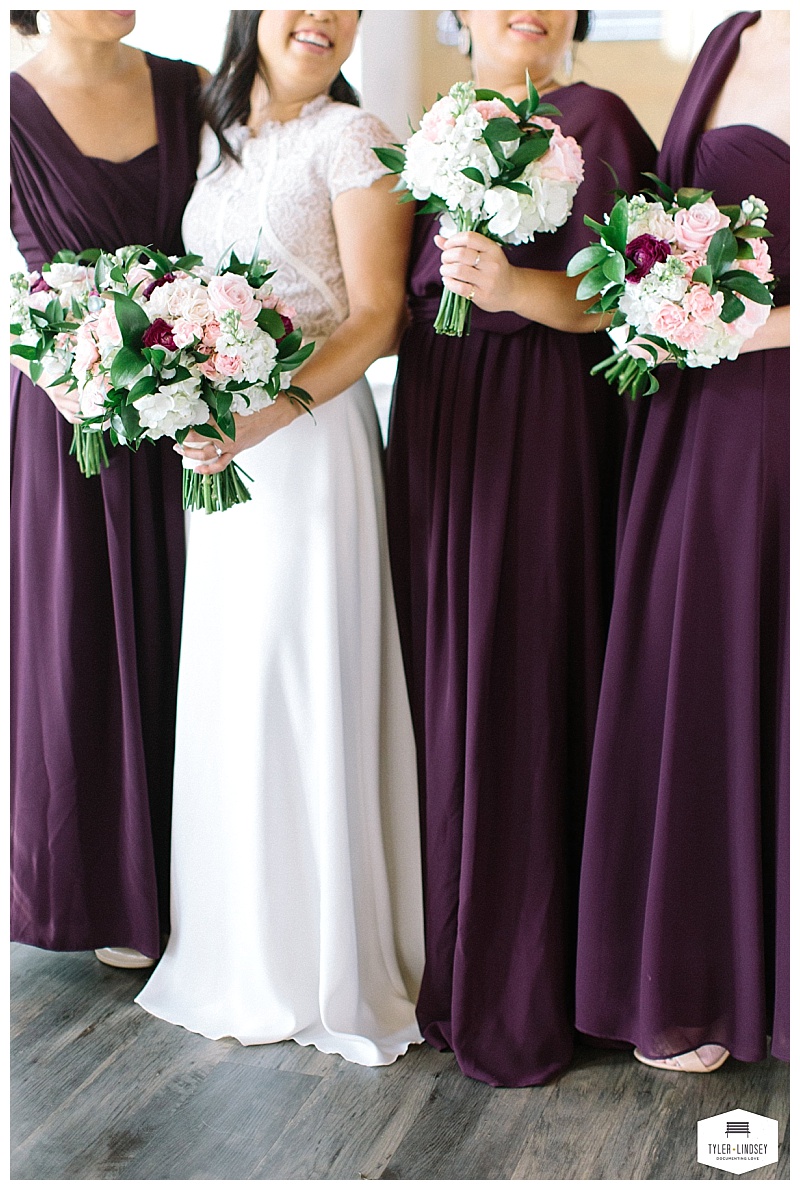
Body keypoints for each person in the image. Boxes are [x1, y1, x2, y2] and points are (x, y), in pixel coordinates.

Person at [135, 10, 425, 1067]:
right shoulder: (214, 138)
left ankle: (325, 963)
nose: (326, 17)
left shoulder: (354, 138)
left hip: (305, 445)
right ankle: (235, 945)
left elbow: (377, 315)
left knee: (302, 675)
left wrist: (264, 413)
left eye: (349, 5)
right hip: (220, 449)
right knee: (233, 684)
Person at [385, 10, 656, 1086]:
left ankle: (526, 977)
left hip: (543, 413)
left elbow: (620, 297)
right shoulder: (431, 124)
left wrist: (510, 290)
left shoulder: (599, 120)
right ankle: (432, 951)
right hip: (441, 417)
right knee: (437, 669)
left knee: (521, 666)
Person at [575, 10, 789, 1072]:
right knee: (690, 665)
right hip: (690, 403)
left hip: (770, 403)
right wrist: (654, 299)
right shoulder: (726, 32)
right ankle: (701, 972)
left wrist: (734, 325)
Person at [10, 9, 204, 969]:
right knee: (81, 625)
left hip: (199, 396)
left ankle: (197, 879)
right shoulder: (8, 105)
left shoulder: (189, 85)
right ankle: (104, 890)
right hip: (69, 403)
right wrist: (69, 364)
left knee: (191, 621)